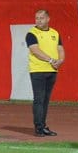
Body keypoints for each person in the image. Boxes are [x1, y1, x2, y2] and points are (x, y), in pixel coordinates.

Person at [26, 8, 64, 137]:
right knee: (39, 99)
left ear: (48, 19)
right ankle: (38, 127)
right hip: (38, 70)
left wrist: (60, 60)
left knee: (46, 100)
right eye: (37, 18)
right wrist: (51, 59)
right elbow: (35, 50)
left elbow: (60, 49)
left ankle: (43, 125)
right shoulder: (32, 33)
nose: (38, 20)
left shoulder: (55, 33)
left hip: (52, 70)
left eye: (41, 18)